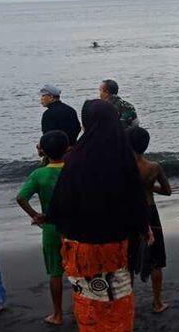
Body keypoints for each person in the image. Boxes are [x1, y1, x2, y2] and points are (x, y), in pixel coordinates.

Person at [47, 100, 150, 332]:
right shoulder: (123, 157)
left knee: (89, 305)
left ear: (85, 125)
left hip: (81, 248)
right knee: (117, 301)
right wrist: (144, 228)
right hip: (115, 246)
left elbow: (61, 205)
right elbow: (135, 199)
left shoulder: (75, 159)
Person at [16, 130, 70, 326]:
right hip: (77, 226)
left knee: (55, 272)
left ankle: (57, 314)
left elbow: (21, 198)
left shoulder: (39, 174)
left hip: (51, 227)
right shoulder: (74, 169)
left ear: (43, 151)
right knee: (82, 269)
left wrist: (36, 216)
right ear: (68, 148)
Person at [127, 126, 171, 314]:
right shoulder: (153, 167)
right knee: (156, 259)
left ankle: (127, 302)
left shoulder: (123, 167)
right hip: (150, 211)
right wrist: (150, 188)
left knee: (128, 259)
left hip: (129, 212)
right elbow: (167, 191)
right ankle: (157, 302)